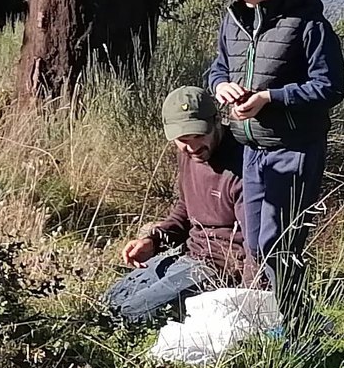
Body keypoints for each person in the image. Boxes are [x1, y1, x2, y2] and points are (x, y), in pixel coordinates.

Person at [202, 0, 344, 336]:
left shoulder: (309, 24)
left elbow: (330, 87)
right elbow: (218, 67)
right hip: (251, 148)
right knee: (257, 243)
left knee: (280, 244)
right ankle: (293, 321)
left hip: (294, 148)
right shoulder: (233, 20)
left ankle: (297, 327)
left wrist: (268, 98)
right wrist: (220, 86)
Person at [105, 87, 249, 325]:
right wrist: (154, 241)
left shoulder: (243, 164)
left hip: (220, 270)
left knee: (129, 316)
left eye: (199, 136)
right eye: (183, 140)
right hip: (189, 255)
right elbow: (185, 210)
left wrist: (248, 296)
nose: (193, 148)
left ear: (216, 121)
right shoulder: (189, 156)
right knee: (109, 301)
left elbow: (256, 242)